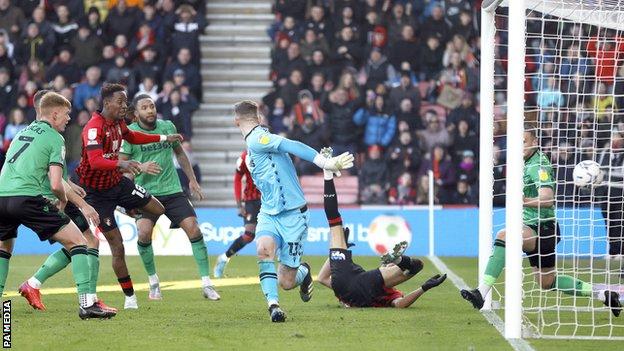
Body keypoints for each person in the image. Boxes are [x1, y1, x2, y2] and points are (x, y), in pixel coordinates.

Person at [460, 126, 622, 317]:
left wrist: (523, 200)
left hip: (542, 228)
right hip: (537, 228)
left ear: (535, 142)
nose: (520, 147)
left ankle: (481, 292)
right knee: (547, 282)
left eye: (524, 142)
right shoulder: (525, 163)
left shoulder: (538, 165)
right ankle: (603, 294)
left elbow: (547, 199)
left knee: (505, 235)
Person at [233, 100, 354, 322]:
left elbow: (292, 145)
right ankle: (274, 307)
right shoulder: (251, 151)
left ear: (236, 121)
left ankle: (304, 273)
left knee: (287, 282)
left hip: (293, 216)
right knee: (263, 250)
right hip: (269, 213)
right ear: (258, 118)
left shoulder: (259, 138)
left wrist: (323, 162)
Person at [0, 92, 114, 319]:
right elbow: (54, 183)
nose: (68, 119)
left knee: (3, 250)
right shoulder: (54, 138)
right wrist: (63, 199)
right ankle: (87, 304)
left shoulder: (22, 133)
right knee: (80, 242)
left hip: (2, 197)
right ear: (54, 114)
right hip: (28, 198)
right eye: (66, 114)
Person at [76, 83, 183, 309]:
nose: (125, 106)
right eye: (121, 102)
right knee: (118, 246)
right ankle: (130, 297)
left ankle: (125, 208)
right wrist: (123, 163)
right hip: (98, 194)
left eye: (126, 102)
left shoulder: (118, 124)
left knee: (158, 209)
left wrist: (164, 139)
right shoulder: (94, 128)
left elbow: (133, 136)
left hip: (117, 184)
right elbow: (95, 161)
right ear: (107, 103)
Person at [317, 147, 446, 307]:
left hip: (357, 283)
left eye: (390, 265)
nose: (389, 267)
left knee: (417, 266)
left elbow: (322, 278)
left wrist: (340, 247)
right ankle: (327, 175)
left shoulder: (388, 288)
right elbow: (399, 304)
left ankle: (327, 174)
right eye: (391, 264)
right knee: (334, 222)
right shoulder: (389, 295)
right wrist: (423, 288)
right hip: (343, 289)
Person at [119, 93, 218, 300]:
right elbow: (121, 166)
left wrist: (192, 179)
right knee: (144, 233)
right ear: (136, 114)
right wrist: (140, 167)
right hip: (145, 193)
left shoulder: (167, 127)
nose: (150, 110)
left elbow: (180, 154)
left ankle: (207, 284)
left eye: (152, 106)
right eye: (145, 107)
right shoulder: (129, 134)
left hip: (172, 190)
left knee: (194, 228)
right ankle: (153, 282)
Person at [213, 150, 261, 278]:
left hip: (270, 200)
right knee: (249, 235)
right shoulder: (245, 157)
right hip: (252, 200)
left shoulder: (272, 153)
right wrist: (239, 205)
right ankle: (224, 258)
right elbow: (237, 179)